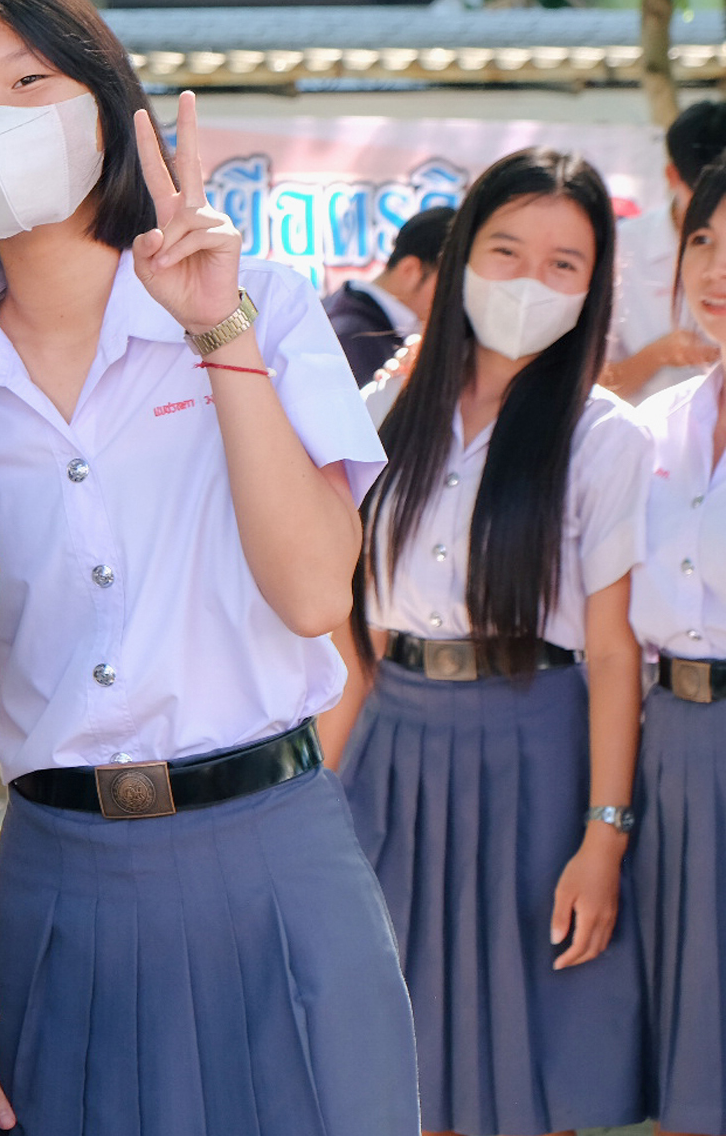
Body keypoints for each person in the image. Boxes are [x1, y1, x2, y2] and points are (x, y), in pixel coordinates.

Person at [0, 0, 419, 1135]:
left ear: (101, 99)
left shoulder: (261, 303)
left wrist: (214, 329)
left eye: (27, 80)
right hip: (51, 881)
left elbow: (311, 589)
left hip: (271, 855)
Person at [321, 147, 650, 1136]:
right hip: (391, 754)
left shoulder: (602, 437)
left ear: (590, 288)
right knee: (392, 1063)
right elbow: (354, 634)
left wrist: (601, 833)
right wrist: (324, 793)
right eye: (503, 251)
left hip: (532, 759)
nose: (527, 281)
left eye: (562, 264)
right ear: (460, 255)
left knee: (522, 1070)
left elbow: (609, 654)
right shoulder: (387, 410)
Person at [629, 161, 726, 1136]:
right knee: (686, 1040)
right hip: (672, 748)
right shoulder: (653, 424)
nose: (715, 268)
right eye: (702, 239)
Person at [602, 100, 726, 402]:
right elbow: (584, 386)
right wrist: (659, 354)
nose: (716, 268)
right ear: (672, 177)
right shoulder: (620, 251)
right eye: (701, 240)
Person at [325, 205, 450, 383]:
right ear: (410, 270)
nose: (457, 297)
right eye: (450, 282)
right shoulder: (351, 338)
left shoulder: (350, 318)